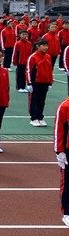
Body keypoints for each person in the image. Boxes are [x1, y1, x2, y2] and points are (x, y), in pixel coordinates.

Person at [27, 38, 53, 127]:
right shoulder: (33, 57)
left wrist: (50, 82)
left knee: (42, 101)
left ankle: (40, 117)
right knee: (34, 100)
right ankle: (34, 118)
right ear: (38, 46)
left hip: (45, 82)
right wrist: (29, 83)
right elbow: (28, 70)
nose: (46, 47)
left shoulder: (48, 57)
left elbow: (50, 70)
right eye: (44, 45)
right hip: (35, 82)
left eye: (47, 45)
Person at [54, 95, 69, 226]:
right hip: (68, 152)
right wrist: (59, 152)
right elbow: (58, 131)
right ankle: (67, 213)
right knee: (68, 183)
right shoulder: (64, 107)